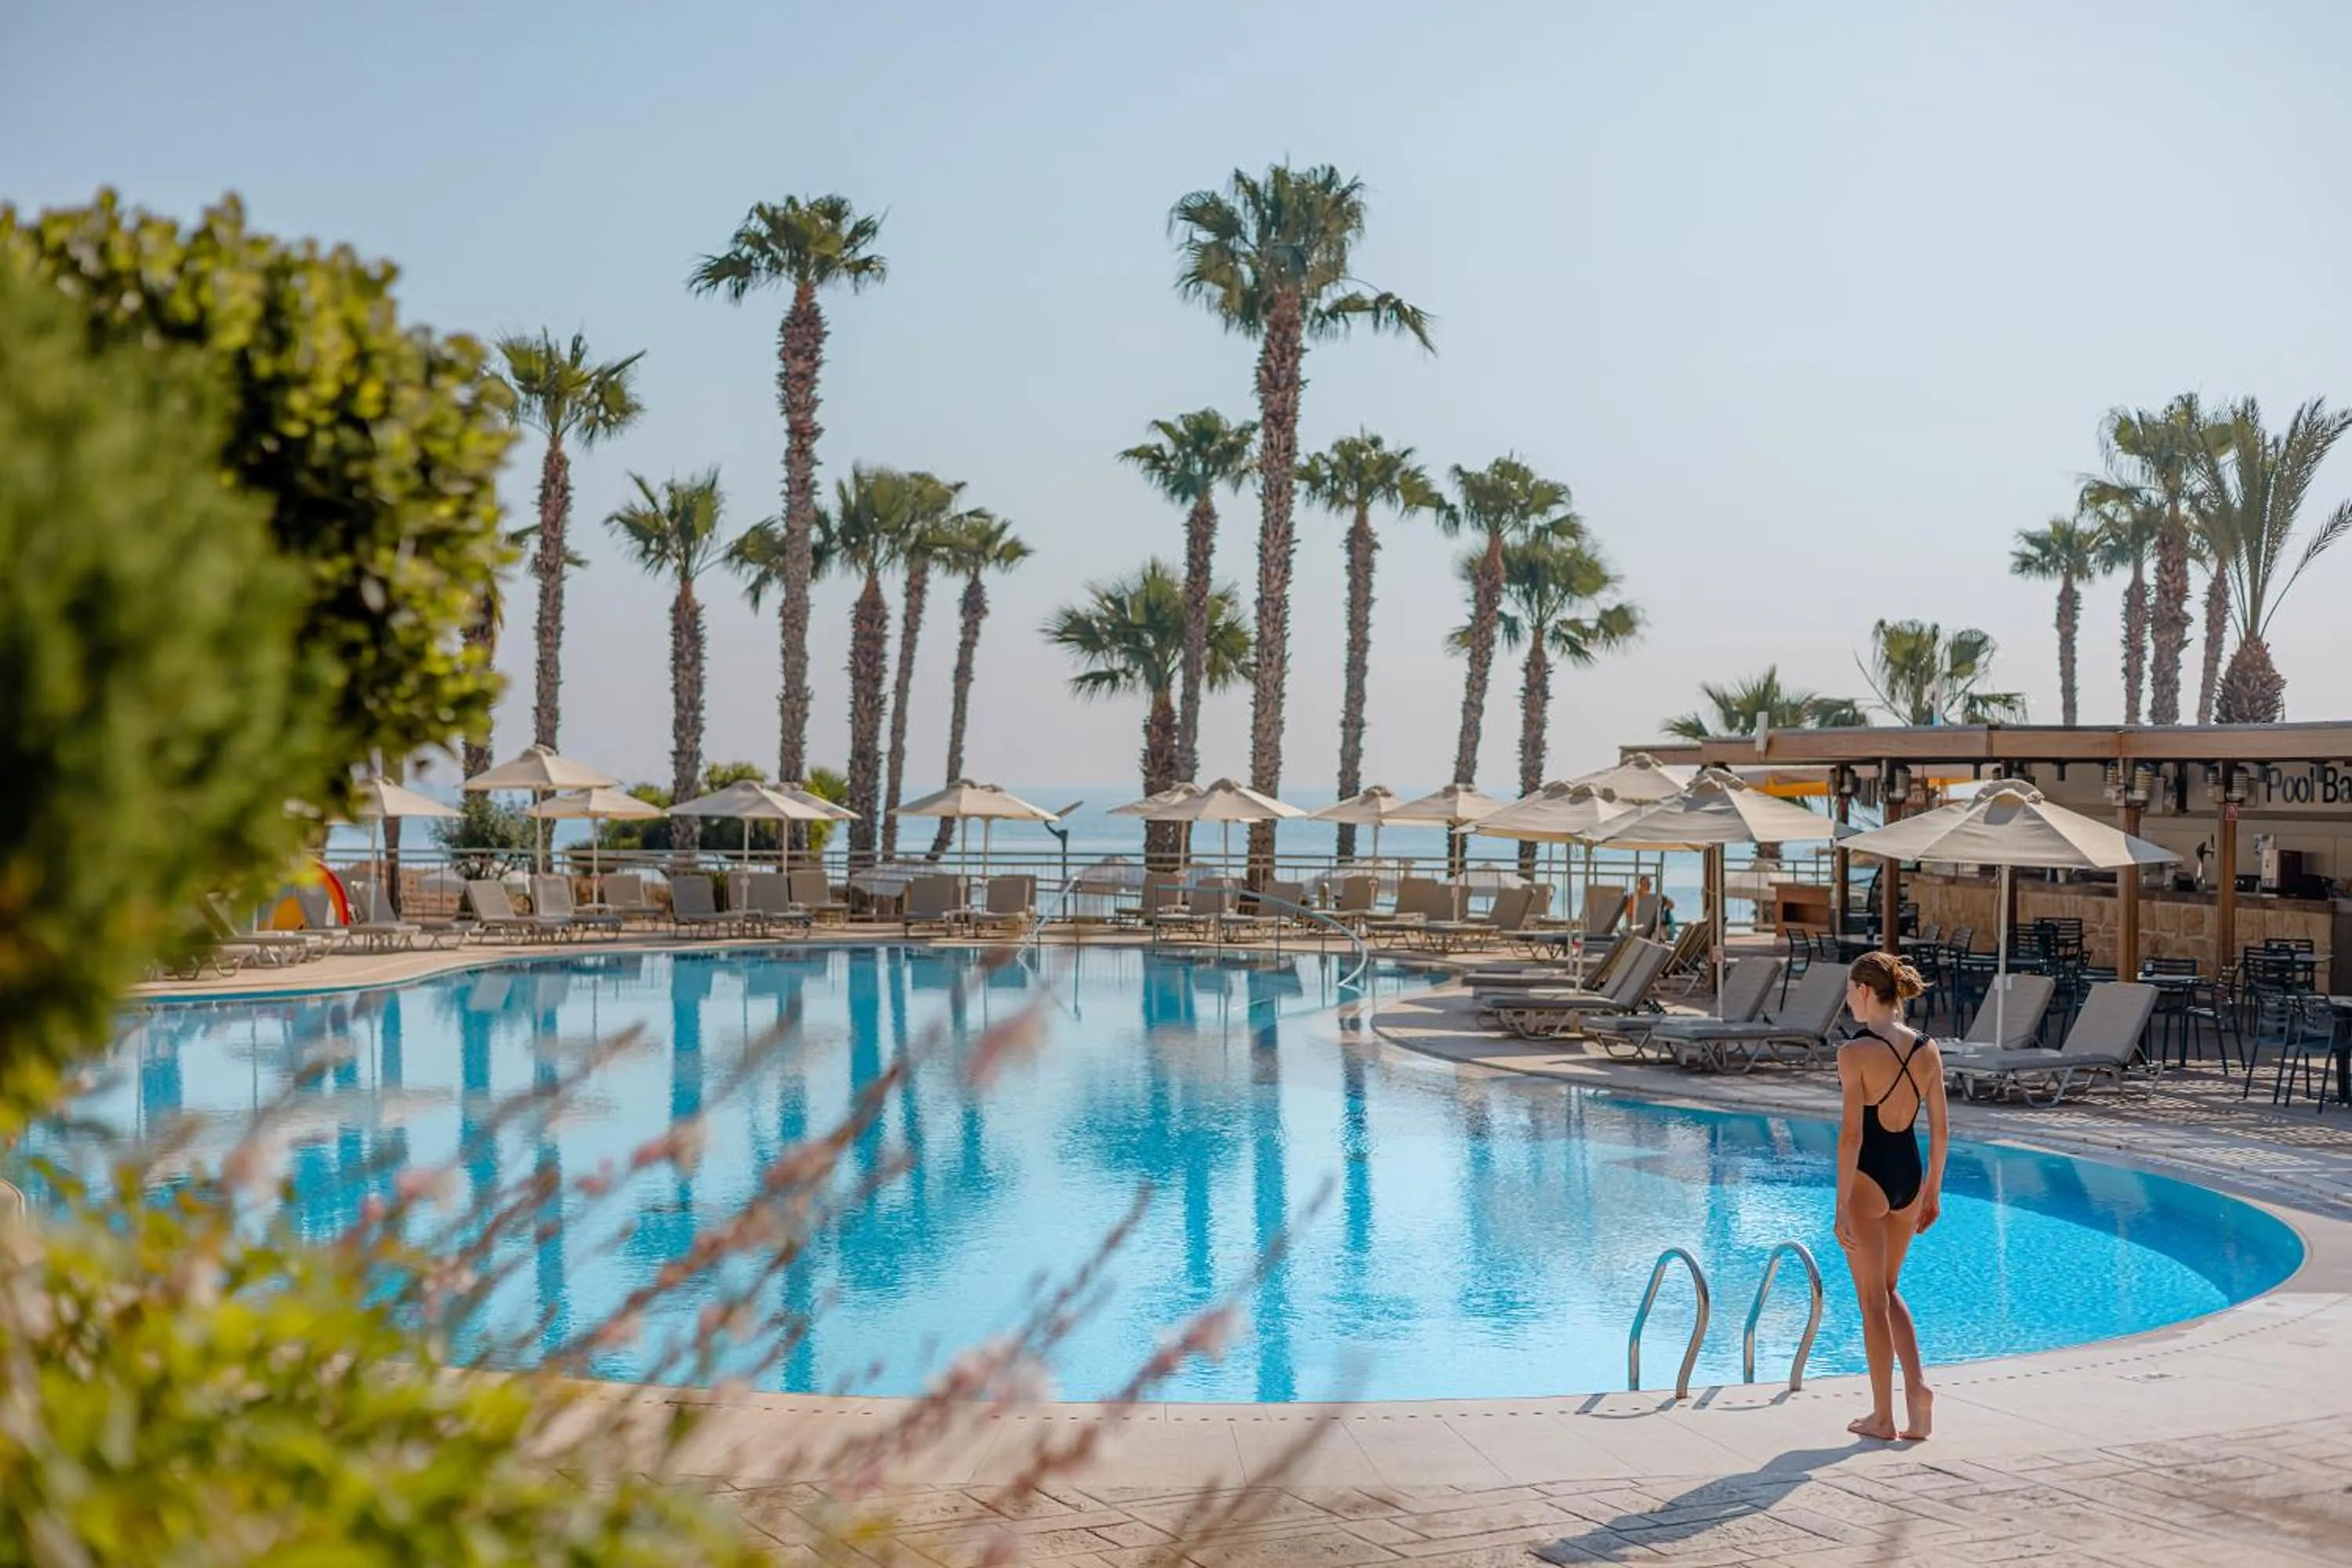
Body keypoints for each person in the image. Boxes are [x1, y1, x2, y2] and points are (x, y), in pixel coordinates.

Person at [1834, 950, 1947, 1442]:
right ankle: (1917, 1396)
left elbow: (1852, 1138)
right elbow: (1941, 1130)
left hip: (1868, 1180)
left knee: (1871, 1302)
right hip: (1909, 1176)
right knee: (1889, 1290)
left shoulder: (1853, 1053)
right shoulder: (1927, 1048)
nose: (1847, 1002)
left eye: (1848, 992)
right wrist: (1932, 1190)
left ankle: (1882, 1417)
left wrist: (1841, 1205)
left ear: (1864, 991)